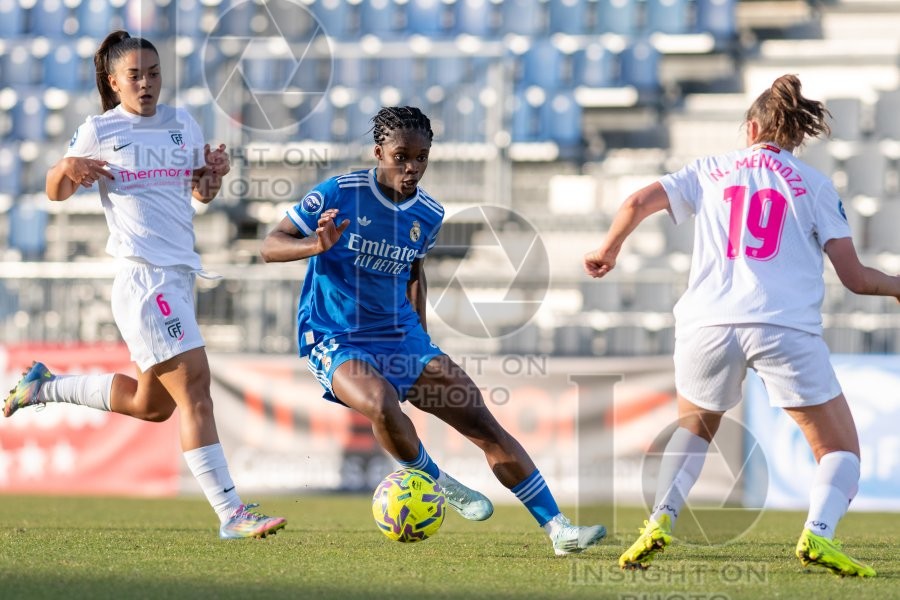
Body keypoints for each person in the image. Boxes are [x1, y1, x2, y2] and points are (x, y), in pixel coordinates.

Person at [585, 74, 899, 577]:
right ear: (795, 136)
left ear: (750, 128)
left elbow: (636, 202)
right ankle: (818, 536)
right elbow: (857, 279)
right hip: (782, 325)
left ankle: (660, 521)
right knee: (839, 450)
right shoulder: (815, 186)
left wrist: (608, 249)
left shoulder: (709, 169)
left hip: (706, 322)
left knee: (694, 428)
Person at [261, 105, 606, 555]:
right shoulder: (340, 192)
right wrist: (315, 244)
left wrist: (421, 341)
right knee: (381, 403)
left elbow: (413, 274)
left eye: (421, 157)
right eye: (401, 156)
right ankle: (435, 480)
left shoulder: (429, 212)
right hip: (334, 336)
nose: (412, 168)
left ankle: (560, 530)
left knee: (484, 424)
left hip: (401, 336)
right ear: (378, 151)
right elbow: (269, 245)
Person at [4, 31, 286, 540]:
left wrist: (213, 175)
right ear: (113, 82)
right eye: (135, 75)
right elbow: (56, 192)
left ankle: (43, 386)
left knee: (151, 407)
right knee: (196, 388)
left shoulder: (182, 122)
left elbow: (200, 194)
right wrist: (65, 166)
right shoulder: (99, 128)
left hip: (177, 277)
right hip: (143, 280)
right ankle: (231, 513)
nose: (147, 83)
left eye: (154, 73)